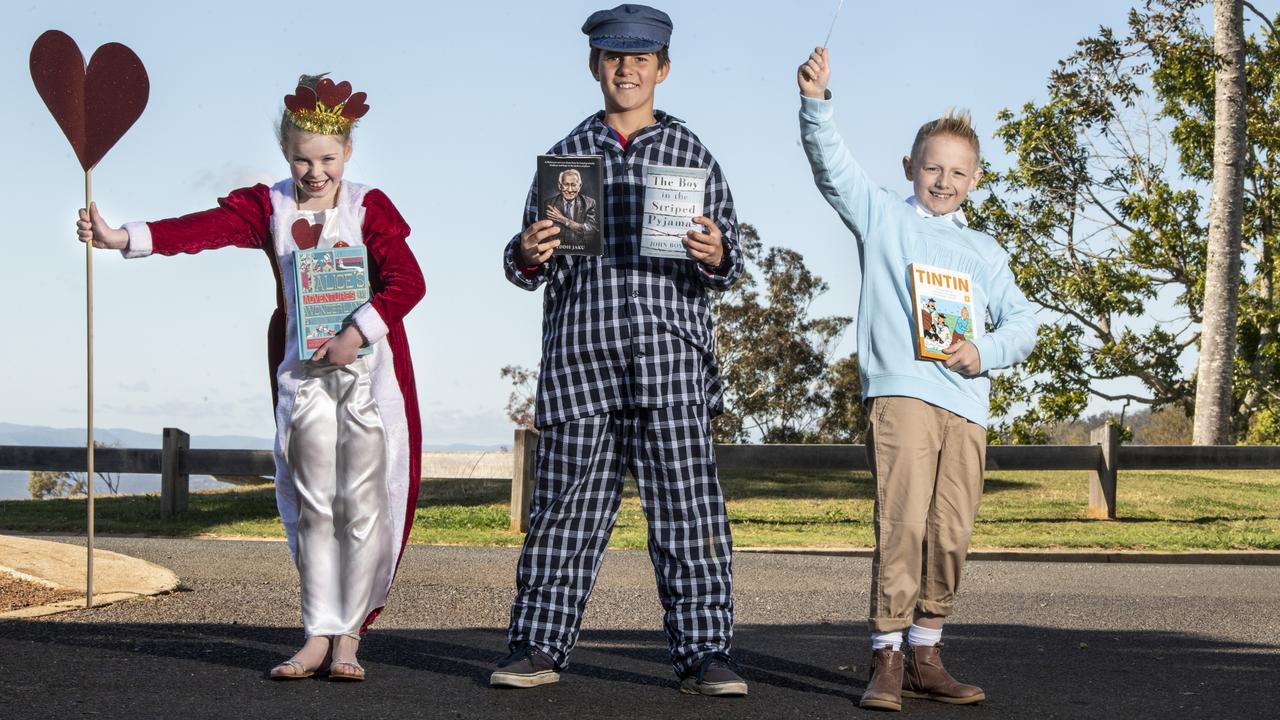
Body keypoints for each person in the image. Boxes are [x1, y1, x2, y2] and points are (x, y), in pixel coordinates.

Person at [76, 74, 425, 683]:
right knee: (315, 505)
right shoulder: (271, 205)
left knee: (363, 503)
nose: (314, 171)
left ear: (347, 153)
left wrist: (357, 332)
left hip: (367, 378)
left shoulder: (369, 206)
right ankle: (317, 632)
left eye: (327, 158)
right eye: (301, 158)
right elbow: (199, 230)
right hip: (304, 374)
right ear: (285, 153)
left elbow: (408, 282)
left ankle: (350, 638)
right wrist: (121, 236)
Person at [493, 3, 748, 697]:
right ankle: (536, 647)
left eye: (640, 58)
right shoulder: (567, 158)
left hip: (672, 364)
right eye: (614, 57)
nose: (627, 68)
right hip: (582, 365)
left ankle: (706, 655)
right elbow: (521, 265)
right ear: (594, 66)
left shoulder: (693, 156)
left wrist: (717, 251)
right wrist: (527, 251)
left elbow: (732, 262)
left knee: (690, 515)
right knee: (564, 513)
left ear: (662, 69)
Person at [797, 47, 1039, 711]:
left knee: (951, 532)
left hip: (967, 402)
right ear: (910, 167)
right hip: (903, 393)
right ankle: (886, 656)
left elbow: (1025, 323)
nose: (943, 179)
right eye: (932, 166)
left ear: (977, 179)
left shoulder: (986, 253)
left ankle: (927, 653)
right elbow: (831, 167)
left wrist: (982, 352)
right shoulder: (883, 218)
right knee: (902, 524)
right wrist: (817, 104)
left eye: (958, 171)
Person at [543, 168, 599, 249]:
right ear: (560, 185)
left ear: (579, 186)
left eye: (573, 185)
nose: (569, 190)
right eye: (566, 184)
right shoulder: (548, 204)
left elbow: (591, 231)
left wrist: (564, 220)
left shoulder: (590, 203)